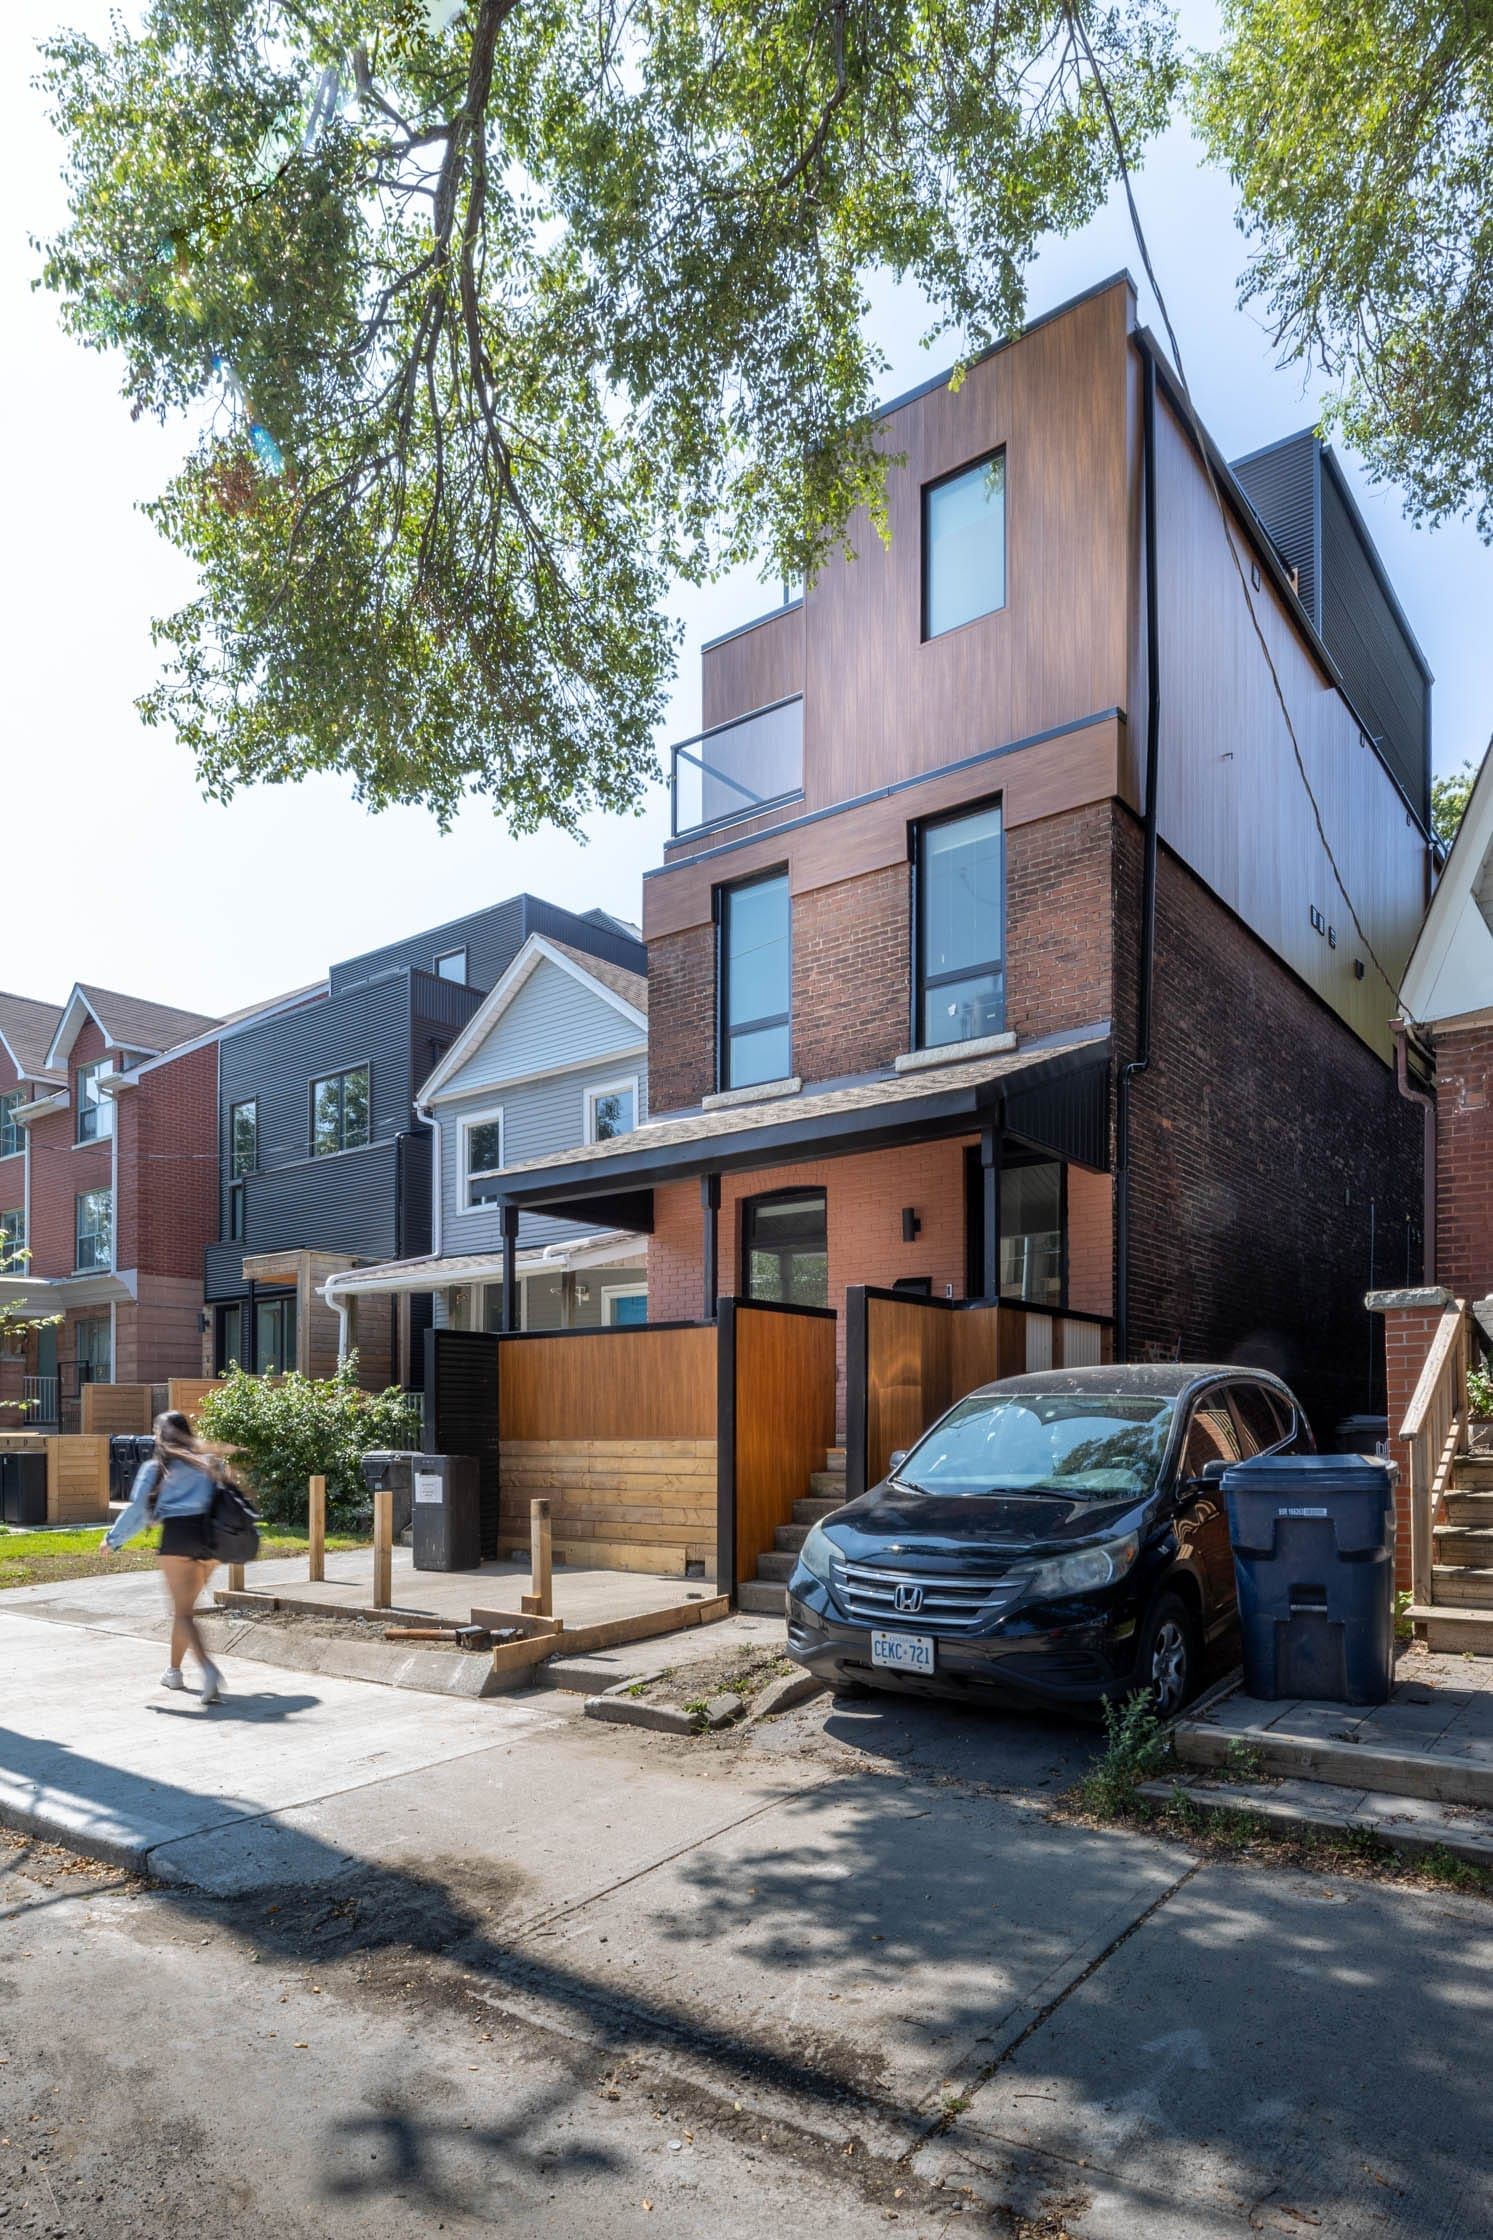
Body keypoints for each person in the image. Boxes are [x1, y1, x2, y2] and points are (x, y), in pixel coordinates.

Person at [103, 1410, 226, 1703]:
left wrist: (113, 1539)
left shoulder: (156, 1468)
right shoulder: (209, 1462)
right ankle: (174, 1671)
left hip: (179, 1537)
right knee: (184, 1611)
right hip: (211, 1541)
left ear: (160, 1436)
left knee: (182, 1613)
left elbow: (137, 1510)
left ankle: (208, 1670)